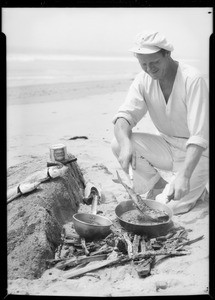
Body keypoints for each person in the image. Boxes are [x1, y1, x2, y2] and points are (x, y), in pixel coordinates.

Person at [111, 30, 209, 215]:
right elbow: (124, 117)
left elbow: (199, 136)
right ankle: (158, 184)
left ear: (168, 54)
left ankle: (194, 184)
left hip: (199, 153)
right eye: (143, 64)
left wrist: (185, 176)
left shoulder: (192, 79)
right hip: (167, 145)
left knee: (167, 209)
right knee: (118, 143)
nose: (149, 69)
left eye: (154, 62)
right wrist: (125, 146)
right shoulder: (143, 79)